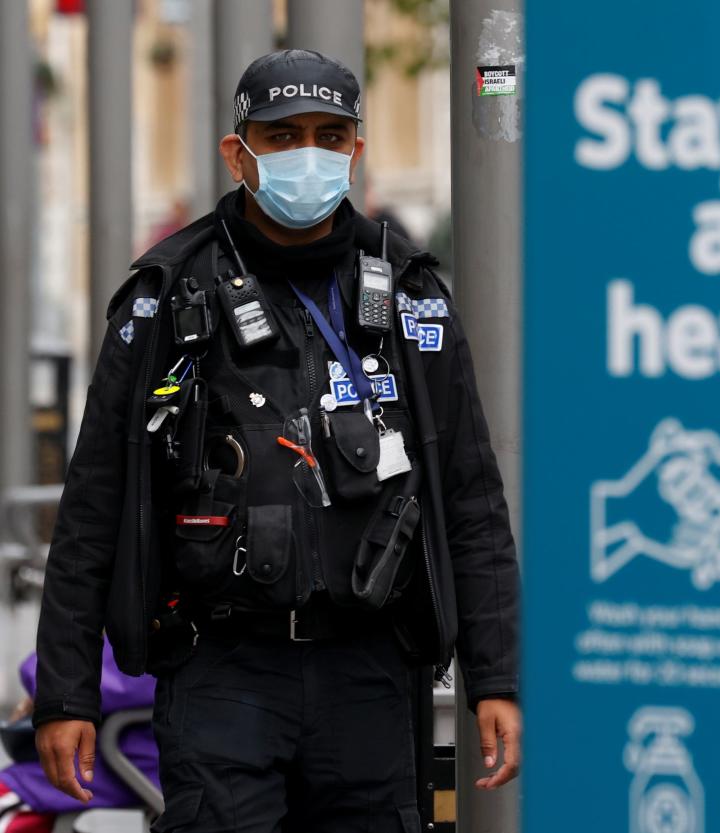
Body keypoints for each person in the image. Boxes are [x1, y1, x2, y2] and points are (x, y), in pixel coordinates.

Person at [31, 49, 521, 832]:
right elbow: (94, 504)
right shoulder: (166, 294)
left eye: (331, 135)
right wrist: (66, 693)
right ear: (239, 151)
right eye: (284, 134)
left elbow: (469, 494)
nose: (309, 154)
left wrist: (499, 677)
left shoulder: (409, 292)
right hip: (221, 669)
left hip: (371, 672)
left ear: (356, 150)